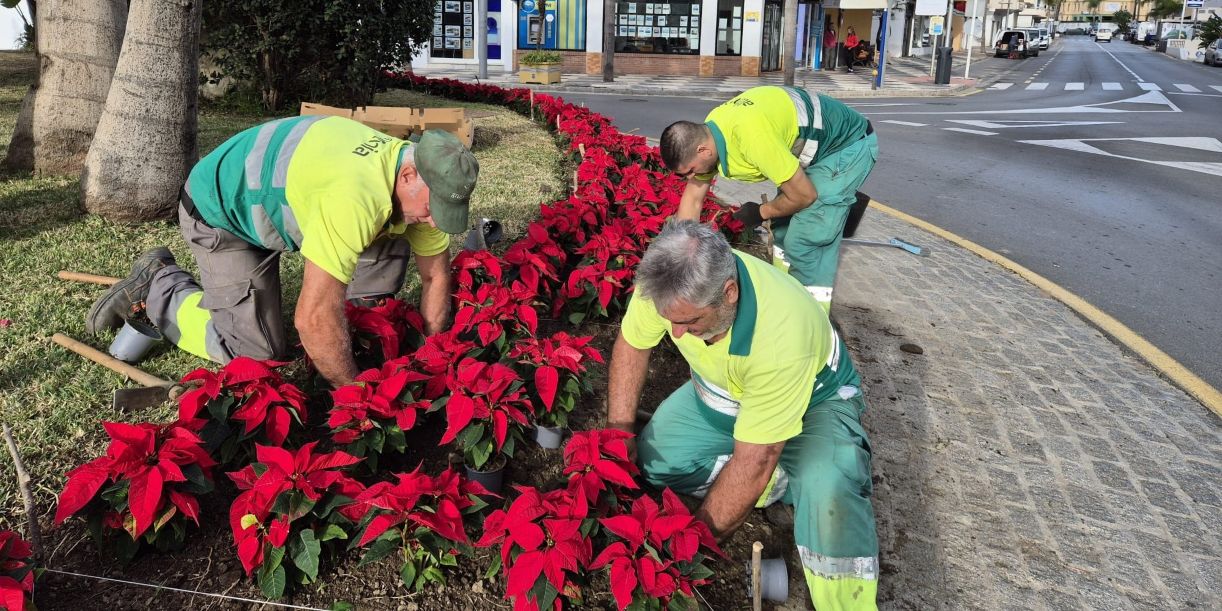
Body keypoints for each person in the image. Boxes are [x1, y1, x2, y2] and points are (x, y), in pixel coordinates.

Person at [86, 117, 479, 387]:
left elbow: (435, 275)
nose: (432, 221)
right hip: (223, 207)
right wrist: (355, 394)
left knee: (399, 229)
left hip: (291, 199)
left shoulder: (418, 173)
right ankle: (160, 286)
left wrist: (433, 351)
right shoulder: (354, 198)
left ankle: (358, 320)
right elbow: (311, 319)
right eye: (432, 208)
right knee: (256, 355)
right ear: (409, 174)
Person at [607, 220, 878, 610]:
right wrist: (619, 434)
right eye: (671, 321)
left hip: (815, 402)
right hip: (727, 393)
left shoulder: (781, 333)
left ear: (729, 293)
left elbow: (754, 459)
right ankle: (776, 481)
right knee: (656, 464)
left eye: (688, 323)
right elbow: (632, 345)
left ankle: (846, 602)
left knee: (829, 485)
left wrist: (689, 558)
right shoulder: (670, 285)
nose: (677, 334)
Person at [659, 85, 878, 311]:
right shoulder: (710, 132)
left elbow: (805, 195)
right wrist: (684, 251)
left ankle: (810, 322)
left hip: (846, 147)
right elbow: (694, 197)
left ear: (703, 150)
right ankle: (785, 296)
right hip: (812, 150)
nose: (692, 177)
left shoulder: (752, 139)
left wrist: (760, 212)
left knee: (805, 240)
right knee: (782, 228)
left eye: (691, 170)